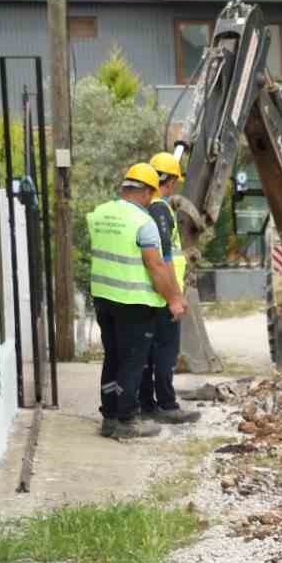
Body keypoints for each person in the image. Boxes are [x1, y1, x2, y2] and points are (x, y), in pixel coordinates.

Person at [87, 162, 186, 440]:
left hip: (103, 298)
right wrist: (174, 299)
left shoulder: (100, 214)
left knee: (112, 357)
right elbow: (156, 266)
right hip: (134, 302)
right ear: (147, 192)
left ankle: (109, 417)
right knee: (133, 361)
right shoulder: (144, 223)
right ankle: (127, 420)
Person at [138, 151, 201, 425]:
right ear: (172, 182)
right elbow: (163, 258)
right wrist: (175, 296)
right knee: (165, 351)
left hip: (151, 293)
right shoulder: (160, 208)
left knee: (149, 352)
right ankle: (166, 404)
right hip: (164, 293)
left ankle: (148, 403)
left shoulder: (141, 207)